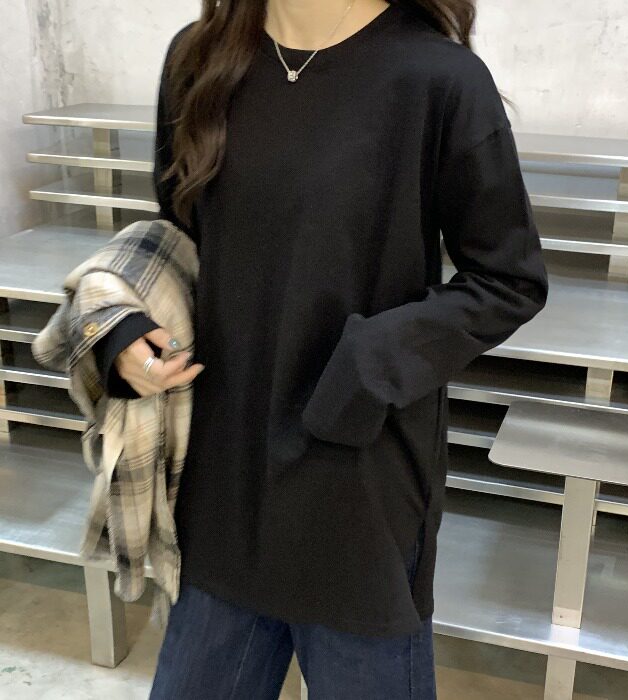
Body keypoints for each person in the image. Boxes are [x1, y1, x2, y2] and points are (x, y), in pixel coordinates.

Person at [92, 0, 549, 697]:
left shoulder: (438, 78)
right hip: (222, 485)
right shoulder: (199, 59)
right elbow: (179, 239)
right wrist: (124, 332)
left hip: (358, 486)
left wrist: (372, 362)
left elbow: (509, 279)